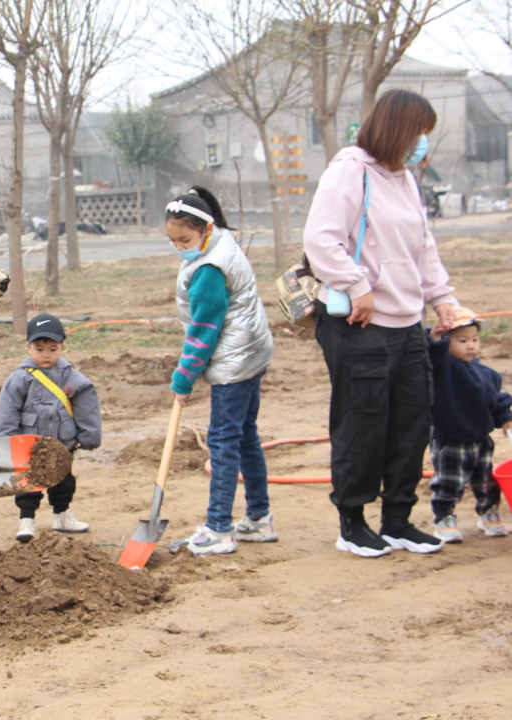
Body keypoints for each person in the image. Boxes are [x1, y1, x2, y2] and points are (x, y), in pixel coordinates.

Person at [304, 89, 457, 558]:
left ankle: (398, 520)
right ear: (397, 129)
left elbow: (423, 246)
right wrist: (357, 284)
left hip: (408, 325)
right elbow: (320, 239)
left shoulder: (405, 178)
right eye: (418, 134)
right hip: (361, 324)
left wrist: (442, 298)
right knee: (362, 424)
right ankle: (352, 523)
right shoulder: (350, 169)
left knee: (411, 423)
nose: (422, 145)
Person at [165, 188, 276, 556]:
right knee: (245, 436)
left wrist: (183, 379)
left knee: (224, 442)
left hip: (235, 360)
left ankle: (218, 529)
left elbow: (203, 331)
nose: (180, 246)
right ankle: (259, 519)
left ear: (206, 228)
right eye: (173, 240)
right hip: (251, 351)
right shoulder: (221, 242)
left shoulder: (210, 269)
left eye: (185, 239)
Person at [0, 313, 101, 543]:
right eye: (39, 348)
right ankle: (26, 521)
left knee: (63, 483)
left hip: (63, 443)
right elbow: (8, 411)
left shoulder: (72, 377)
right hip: (29, 446)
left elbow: (86, 407)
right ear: (28, 347)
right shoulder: (19, 378)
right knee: (27, 486)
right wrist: (6, 443)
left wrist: (89, 437)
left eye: (53, 349)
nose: (46, 355)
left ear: (63, 346)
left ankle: (62, 516)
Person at [427, 306, 512, 543]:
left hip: (481, 438)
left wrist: (505, 418)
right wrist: (435, 336)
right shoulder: (444, 369)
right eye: (462, 340)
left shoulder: (488, 374)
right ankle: (444, 519)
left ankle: (488, 514)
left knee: (487, 481)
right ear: (446, 341)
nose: (471, 345)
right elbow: (433, 352)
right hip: (451, 437)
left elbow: (496, 399)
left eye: (475, 339)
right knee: (449, 482)